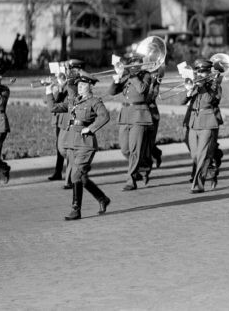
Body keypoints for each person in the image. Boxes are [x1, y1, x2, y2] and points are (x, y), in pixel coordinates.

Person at [46, 73, 111, 220]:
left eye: (83, 85)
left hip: (86, 144)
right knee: (81, 177)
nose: (80, 87)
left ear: (90, 86)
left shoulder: (94, 101)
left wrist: (91, 128)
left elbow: (105, 116)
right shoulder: (74, 102)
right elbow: (53, 108)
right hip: (72, 143)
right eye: (79, 85)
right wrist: (49, 92)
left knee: (75, 175)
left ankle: (76, 209)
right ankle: (102, 198)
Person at [108, 54, 155, 191]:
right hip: (125, 115)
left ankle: (131, 180)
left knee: (135, 149)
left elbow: (142, 90)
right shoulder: (125, 76)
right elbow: (111, 92)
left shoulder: (145, 75)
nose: (134, 65)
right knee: (125, 149)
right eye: (132, 63)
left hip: (139, 114)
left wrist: (133, 76)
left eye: (137, 63)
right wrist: (117, 79)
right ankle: (143, 163)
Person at [179, 60, 223, 193]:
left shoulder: (214, 85)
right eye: (198, 71)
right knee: (195, 156)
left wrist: (203, 86)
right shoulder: (194, 84)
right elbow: (182, 102)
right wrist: (189, 91)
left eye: (203, 71)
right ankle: (211, 168)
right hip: (193, 122)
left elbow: (211, 100)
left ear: (209, 71)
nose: (200, 73)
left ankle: (198, 184)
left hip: (207, 122)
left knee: (202, 155)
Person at [44, 60, 83, 187]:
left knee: (68, 147)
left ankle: (71, 175)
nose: (68, 71)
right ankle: (59, 171)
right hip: (60, 118)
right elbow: (54, 101)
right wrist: (59, 88)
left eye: (69, 69)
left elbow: (73, 97)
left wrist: (64, 84)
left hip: (69, 118)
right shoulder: (63, 82)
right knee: (60, 147)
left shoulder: (76, 82)